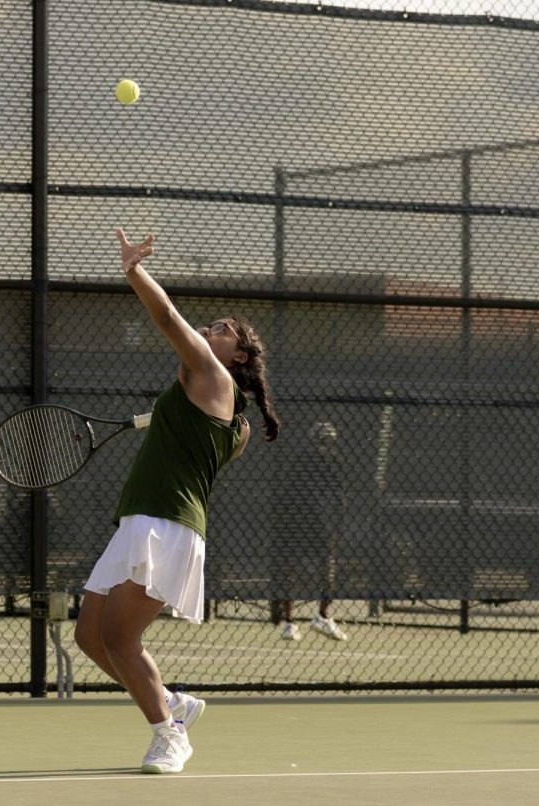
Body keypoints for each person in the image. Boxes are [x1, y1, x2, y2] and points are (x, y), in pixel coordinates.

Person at [74, 228, 280, 775]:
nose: (208, 329)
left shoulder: (214, 375)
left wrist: (133, 270)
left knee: (119, 637)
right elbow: (203, 438)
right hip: (142, 519)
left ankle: (169, 734)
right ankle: (172, 702)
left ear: (235, 357)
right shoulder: (230, 418)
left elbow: (166, 320)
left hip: (166, 525)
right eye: (210, 326)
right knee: (89, 637)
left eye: (221, 331)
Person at [271, 420, 348, 642]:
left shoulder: (335, 463)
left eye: (328, 439)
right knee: (291, 569)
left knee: (326, 567)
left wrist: (335, 521)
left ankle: (323, 617)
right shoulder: (300, 462)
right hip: (297, 523)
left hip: (321, 526)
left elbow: (339, 497)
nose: (324, 443)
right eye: (321, 438)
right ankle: (289, 622)